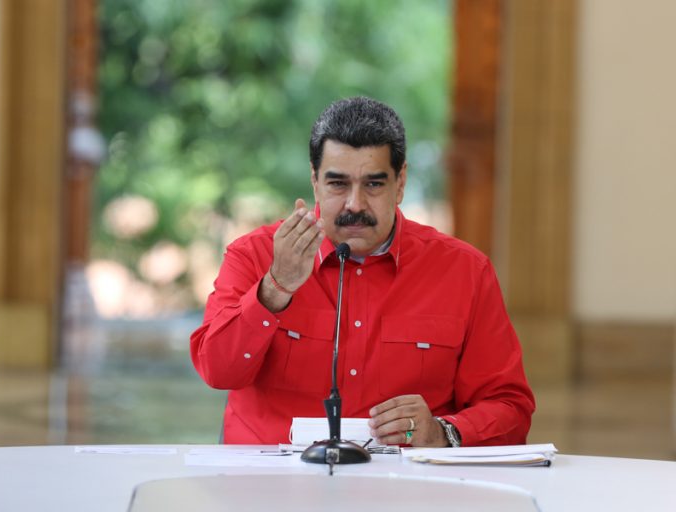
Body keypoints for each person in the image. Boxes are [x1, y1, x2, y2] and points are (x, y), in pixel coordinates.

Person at [190, 96, 534, 447]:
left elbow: (511, 408)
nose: (355, 204)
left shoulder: (465, 271)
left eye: (373, 184)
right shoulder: (254, 255)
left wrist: (443, 432)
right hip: (272, 478)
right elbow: (217, 372)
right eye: (338, 184)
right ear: (315, 181)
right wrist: (275, 287)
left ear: (400, 183)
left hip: (405, 479)